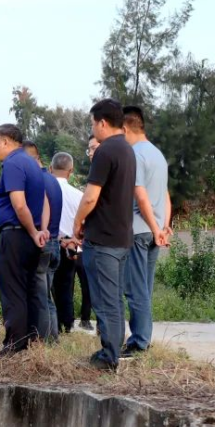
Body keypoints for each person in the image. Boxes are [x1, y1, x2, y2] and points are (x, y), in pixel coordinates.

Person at [73, 99, 136, 371]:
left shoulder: (105, 151)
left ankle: (109, 356)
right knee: (114, 299)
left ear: (101, 122)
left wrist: (78, 222)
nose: (93, 128)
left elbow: (90, 196)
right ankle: (112, 350)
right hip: (121, 237)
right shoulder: (127, 149)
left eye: (92, 123)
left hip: (103, 241)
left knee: (105, 300)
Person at [0, 125, 49, 355]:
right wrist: (40, 229)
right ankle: (28, 340)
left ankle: (15, 343)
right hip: (29, 236)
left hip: (16, 234)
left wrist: (33, 231)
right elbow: (45, 200)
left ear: (6, 142)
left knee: (12, 290)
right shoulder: (32, 164)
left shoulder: (13, 163)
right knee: (27, 290)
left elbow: (18, 203)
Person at [121, 105, 171, 356]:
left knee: (135, 288)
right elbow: (165, 195)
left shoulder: (136, 154)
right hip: (153, 232)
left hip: (140, 230)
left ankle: (140, 341)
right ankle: (141, 338)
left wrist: (153, 226)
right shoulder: (158, 155)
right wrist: (162, 227)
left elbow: (140, 194)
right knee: (145, 287)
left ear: (125, 128)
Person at [23, 140, 62, 341]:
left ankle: (45, 340)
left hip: (43, 241)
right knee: (46, 296)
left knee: (40, 298)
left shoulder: (36, 181)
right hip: (55, 242)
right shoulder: (52, 179)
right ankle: (53, 337)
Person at [48, 152, 88, 333]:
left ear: (50, 168)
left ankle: (51, 324)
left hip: (47, 242)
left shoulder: (43, 191)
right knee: (66, 285)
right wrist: (77, 243)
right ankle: (67, 324)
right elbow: (84, 225)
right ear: (70, 171)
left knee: (46, 286)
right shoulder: (79, 195)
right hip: (71, 245)